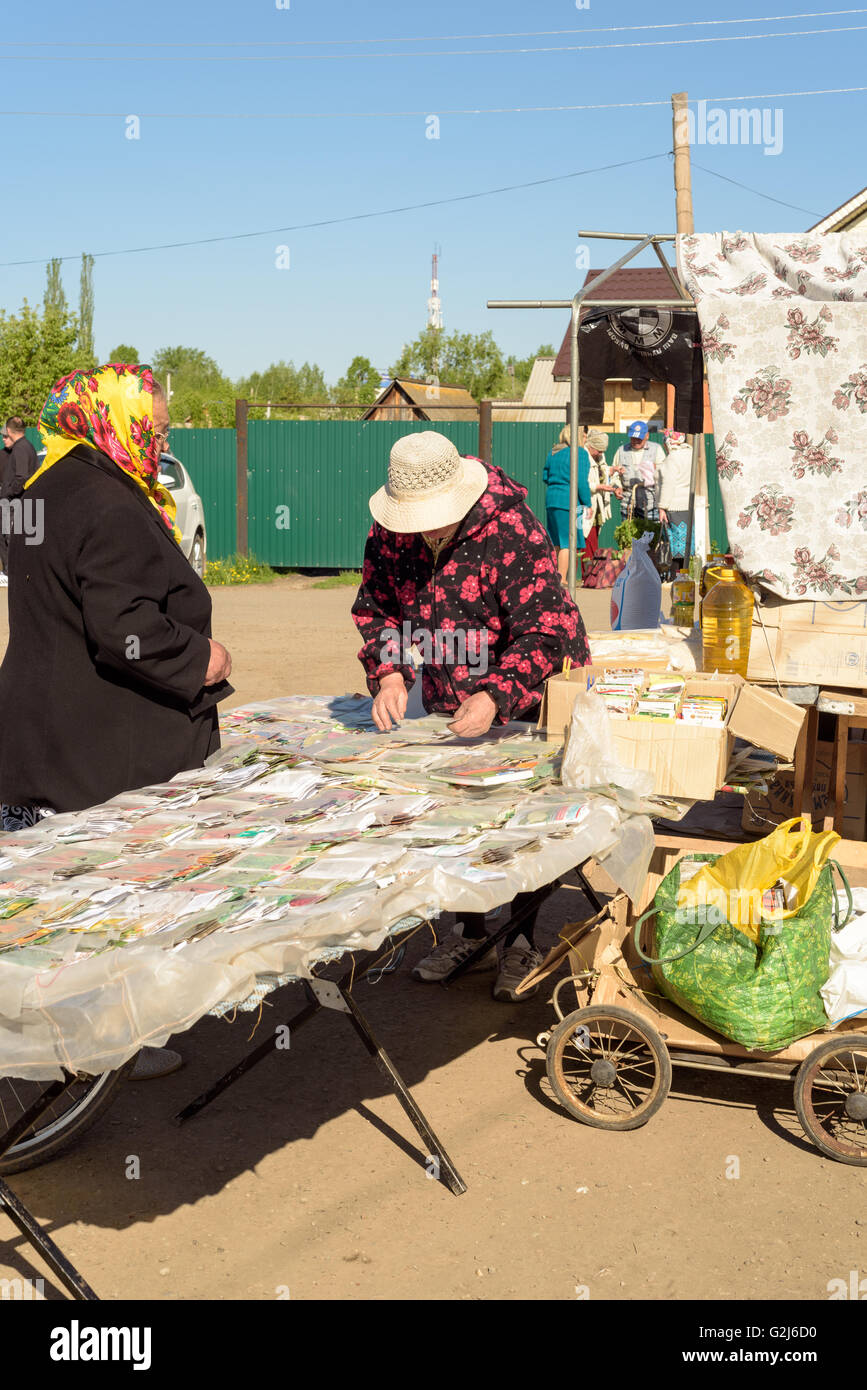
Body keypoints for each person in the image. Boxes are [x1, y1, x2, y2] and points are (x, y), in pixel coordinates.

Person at [0, 364, 234, 1078]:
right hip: (102, 740)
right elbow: (122, 626)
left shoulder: (42, 490)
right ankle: (112, 1041)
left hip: (40, 724)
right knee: (116, 890)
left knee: (55, 893)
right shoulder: (108, 502)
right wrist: (201, 658)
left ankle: (69, 1036)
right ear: (115, 419)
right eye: (154, 427)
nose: (160, 441)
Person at [352, 430, 591, 1001]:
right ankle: (471, 931)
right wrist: (389, 671)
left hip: (530, 687)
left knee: (527, 822)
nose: (425, 531)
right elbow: (376, 608)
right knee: (460, 813)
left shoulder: (510, 527)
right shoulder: (390, 531)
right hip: (447, 684)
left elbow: (546, 629)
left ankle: (522, 941)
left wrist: (496, 693)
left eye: (434, 520)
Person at [543, 423, 592, 582]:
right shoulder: (580, 453)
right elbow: (581, 483)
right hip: (569, 500)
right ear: (578, 435)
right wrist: (588, 503)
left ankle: (552, 576)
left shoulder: (553, 451)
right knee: (568, 542)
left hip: (551, 499)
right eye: (584, 435)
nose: (586, 438)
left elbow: (545, 476)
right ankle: (562, 579)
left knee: (555, 541)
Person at [0, 417, 39, 581]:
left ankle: (11, 574)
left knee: (11, 538)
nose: (3, 439)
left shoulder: (21, 449)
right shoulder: (25, 447)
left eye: (5, 435)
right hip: (21, 502)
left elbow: (21, 478)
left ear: (9, 431)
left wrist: (7, 492)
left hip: (16, 502)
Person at [581, 429, 621, 565]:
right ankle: (587, 574)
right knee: (585, 540)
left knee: (594, 538)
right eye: (599, 450)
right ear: (590, 446)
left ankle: (592, 574)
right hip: (586, 504)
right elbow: (581, 483)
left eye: (603, 451)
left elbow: (601, 473)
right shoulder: (583, 457)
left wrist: (612, 470)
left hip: (598, 505)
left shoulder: (599, 457)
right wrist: (599, 487)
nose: (601, 453)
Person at [610, 420, 665, 520]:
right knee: (629, 535)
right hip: (628, 504)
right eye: (633, 438)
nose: (635, 441)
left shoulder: (656, 449)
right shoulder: (621, 450)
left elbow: (664, 473)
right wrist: (616, 487)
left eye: (639, 439)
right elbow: (614, 475)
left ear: (647, 436)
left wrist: (655, 467)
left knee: (650, 535)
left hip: (651, 504)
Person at [656, 428, 694, 569]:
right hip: (688, 506)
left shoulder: (672, 458)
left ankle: (674, 576)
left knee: (674, 545)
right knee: (687, 544)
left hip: (674, 505)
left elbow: (668, 484)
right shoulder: (691, 454)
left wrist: (661, 507)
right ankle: (685, 575)